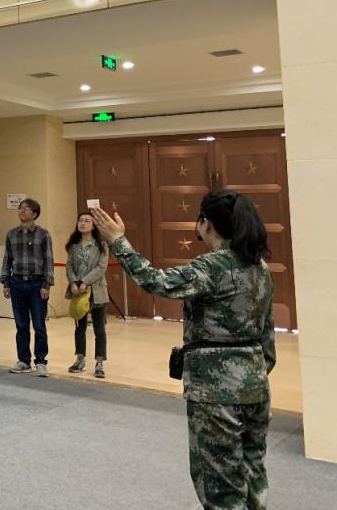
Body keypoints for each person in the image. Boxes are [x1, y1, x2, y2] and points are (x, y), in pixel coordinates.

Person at [90, 191, 275, 510]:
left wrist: (118, 242)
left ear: (206, 223)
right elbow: (267, 335)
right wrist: (252, 373)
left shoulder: (213, 266)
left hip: (217, 392)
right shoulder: (260, 267)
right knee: (252, 475)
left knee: (221, 487)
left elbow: (155, 281)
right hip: (256, 385)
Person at [1, 198, 54, 377]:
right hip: (16, 282)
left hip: (37, 283)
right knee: (21, 325)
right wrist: (6, 282)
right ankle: (23, 360)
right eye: (20, 208)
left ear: (35, 214)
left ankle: (41, 361)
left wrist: (47, 284)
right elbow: (7, 259)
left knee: (39, 325)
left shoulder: (43, 234)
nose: (22, 211)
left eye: (26, 208)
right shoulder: (11, 234)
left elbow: (48, 261)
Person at [65, 211, 109, 378]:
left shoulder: (101, 245)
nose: (82, 223)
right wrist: (73, 282)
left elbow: (101, 268)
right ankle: (80, 359)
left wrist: (85, 282)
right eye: (80, 221)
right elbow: (69, 266)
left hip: (96, 290)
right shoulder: (74, 245)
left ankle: (99, 362)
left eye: (87, 221)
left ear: (93, 225)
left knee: (99, 328)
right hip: (78, 290)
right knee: (79, 327)